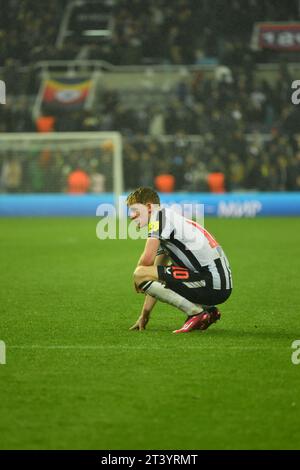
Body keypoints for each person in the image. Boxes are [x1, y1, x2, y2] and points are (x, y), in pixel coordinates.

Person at [127, 187, 232, 333]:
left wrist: (137, 278)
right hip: (218, 284)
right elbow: (154, 273)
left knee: (140, 273)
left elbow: (146, 262)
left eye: (135, 210)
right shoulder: (168, 220)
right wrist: (144, 315)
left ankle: (196, 313)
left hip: (212, 283)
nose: (131, 216)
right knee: (145, 273)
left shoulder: (159, 218)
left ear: (149, 207)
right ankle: (208, 311)